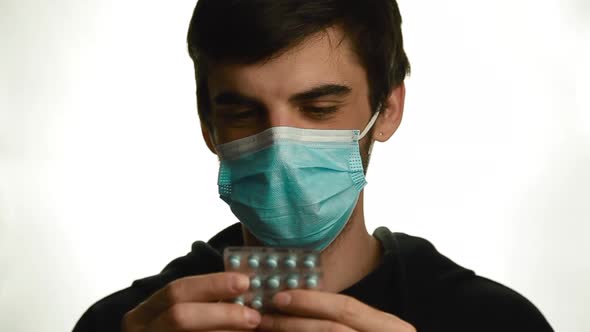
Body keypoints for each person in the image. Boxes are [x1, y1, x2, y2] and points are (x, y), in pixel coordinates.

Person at [73, 0, 554, 331]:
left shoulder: (494, 322)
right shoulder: (130, 322)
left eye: (319, 109)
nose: (280, 150)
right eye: (243, 113)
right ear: (208, 127)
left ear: (386, 110)